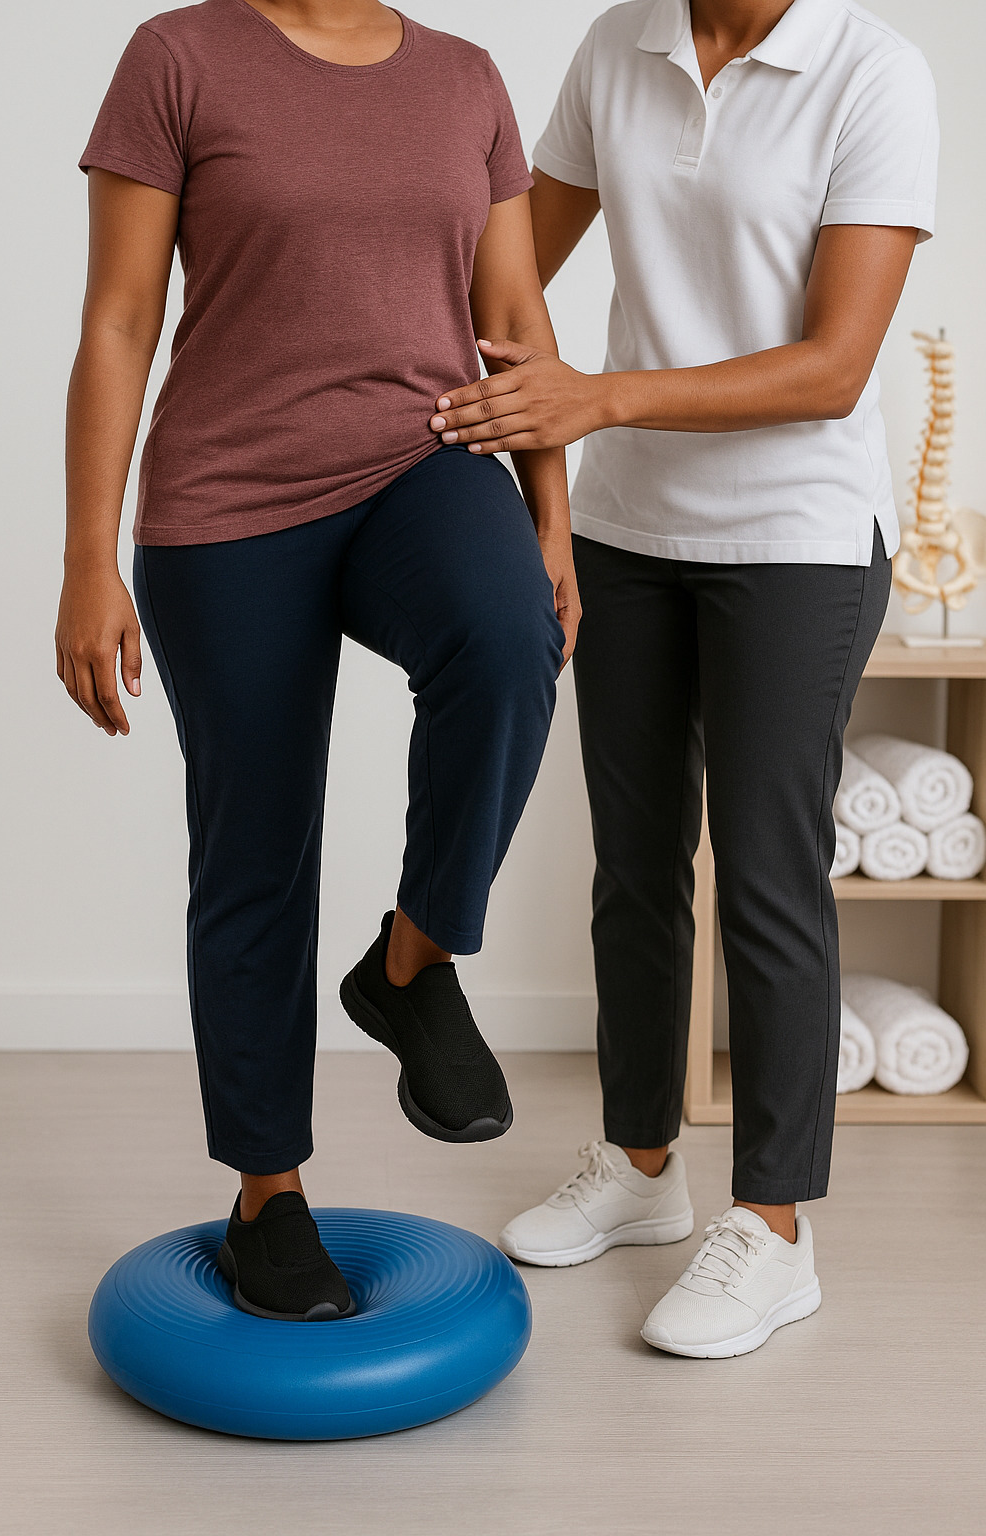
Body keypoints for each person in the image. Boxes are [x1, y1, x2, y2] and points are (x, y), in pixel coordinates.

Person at [429, 0, 938, 1357]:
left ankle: (774, 1227)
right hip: (627, 528)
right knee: (636, 864)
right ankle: (644, 1165)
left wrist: (594, 397)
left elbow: (835, 367)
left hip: (797, 539)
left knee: (767, 872)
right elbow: (509, 271)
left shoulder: (873, 72)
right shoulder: (622, 46)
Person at [56, 0, 578, 1322]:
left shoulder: (465, 79)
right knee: (255, 843)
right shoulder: (179, 59)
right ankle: (267, 1189)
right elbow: (119, 319)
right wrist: (86, 558)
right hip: (228, 495)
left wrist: (549, 524)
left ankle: (410, 964)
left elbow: (516, 317)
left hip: (421, 458)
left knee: (509, 639)